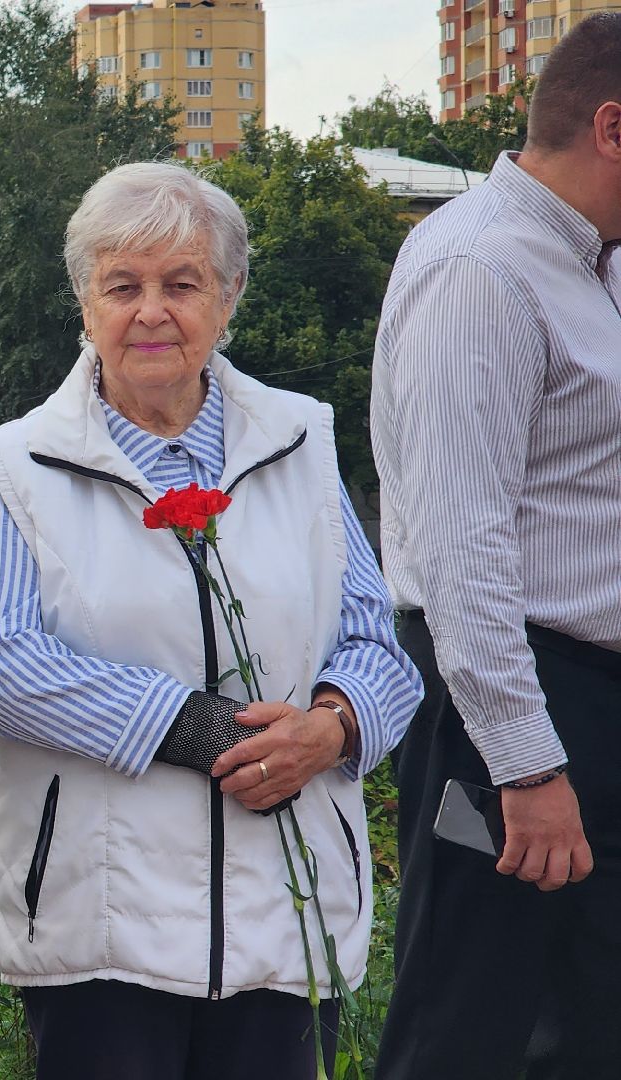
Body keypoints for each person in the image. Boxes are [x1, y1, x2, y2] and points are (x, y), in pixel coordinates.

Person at [0, 162, 421, 1080]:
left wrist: (328, 729)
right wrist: (195, 727)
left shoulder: (301, 440)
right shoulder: (20, 462)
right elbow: (2, 660)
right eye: (122, 286)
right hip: (102, 921)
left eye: (182, 284)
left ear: (229, 297)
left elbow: (377, 639)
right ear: (85, 304)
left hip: (283, 905)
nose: (151, 312)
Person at [370, 15, 621, 1078]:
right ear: (612, 128)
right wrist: (525, 765)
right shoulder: (479, 268)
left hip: (587, 709)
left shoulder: (593, 266)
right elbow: (459, 546)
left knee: (588, 1028)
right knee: (475, 1026)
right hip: (510, 714)